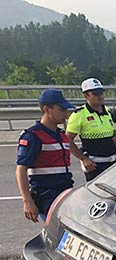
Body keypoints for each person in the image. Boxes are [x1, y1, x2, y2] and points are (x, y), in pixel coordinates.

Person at [16, 89, 75, 222]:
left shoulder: (61, 135)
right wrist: (27, 202)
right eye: (61, 109)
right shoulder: (33, 136)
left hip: (64, 193)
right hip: (47, 196)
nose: (66, 114)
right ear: (47, 109)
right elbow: (21, 169)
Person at [67, 78, 116, 181]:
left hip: (113, 162)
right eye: (95, 94)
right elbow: (68, 140)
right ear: (86, 96)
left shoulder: (107, 111)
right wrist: (83, 159)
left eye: (101, 93)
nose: (100, 96)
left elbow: (112, 131)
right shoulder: (79, 114)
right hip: (95, 165)